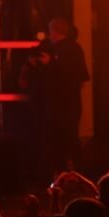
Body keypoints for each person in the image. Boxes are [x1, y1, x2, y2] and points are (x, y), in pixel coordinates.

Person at [28, 17, 88, 173]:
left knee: (67, 140)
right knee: (60, 141)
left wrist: (51, 64)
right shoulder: (63, 49)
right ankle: (67, 173)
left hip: (65, 105)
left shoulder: (71, 50)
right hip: (60, 105)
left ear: (54, 32)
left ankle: (75, 172)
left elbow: (72, 75)